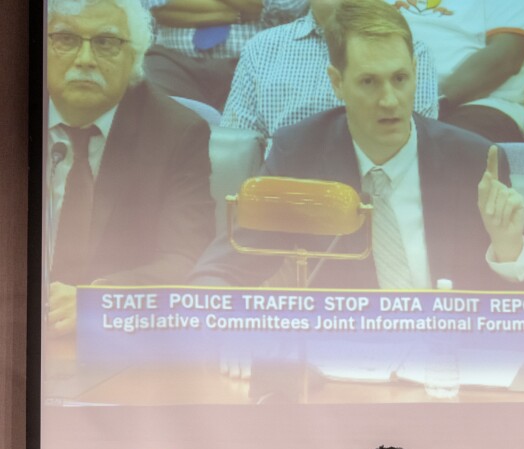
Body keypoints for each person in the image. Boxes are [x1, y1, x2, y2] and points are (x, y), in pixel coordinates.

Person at [192, 0, 524, 290]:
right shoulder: (300, 155)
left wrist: (508, 249)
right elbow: (223, 269)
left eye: (400, 79)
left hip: (447, 356)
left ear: (415, 71)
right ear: (337, 83)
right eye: (369, 81)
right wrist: (221, 320)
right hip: (342, 358)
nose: (389, 100)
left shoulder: (473, 163)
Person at [46, 0, 214, 336]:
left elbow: (187, 257)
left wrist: (103, 301)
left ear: (134, 58)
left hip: (116, 341)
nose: (85, 59)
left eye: (106, 43)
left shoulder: (176, 133)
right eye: (65, 38)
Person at [221, 0, 439, 150]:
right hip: (277, 192)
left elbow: (415, 151)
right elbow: (235, 148)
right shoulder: (262, 49)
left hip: (368, 196)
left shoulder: (407, 54)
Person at [389, 0, 524, 143]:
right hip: (384, 92)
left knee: (447, 150)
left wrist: (425, 105)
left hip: (475, 105)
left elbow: (506, 57)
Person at [140, 0, 306, 111]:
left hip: (255, 64)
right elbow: (156, 8)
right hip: (173, 62)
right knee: (151, 116)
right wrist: (239, 14)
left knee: (244, 141)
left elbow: (287, 6)